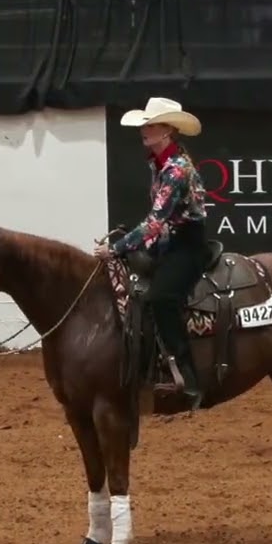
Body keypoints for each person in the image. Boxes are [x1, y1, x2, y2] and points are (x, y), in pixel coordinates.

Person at [93, 97, 209, 410]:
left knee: (161, 297)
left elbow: (155, 222)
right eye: (145, 125)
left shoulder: (176, 171)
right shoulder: (159, 164)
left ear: (168, 131)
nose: (145, 130)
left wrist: (116, 248)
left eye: (152, 125)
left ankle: (187, 376)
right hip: (168, 244)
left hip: (187, 246)